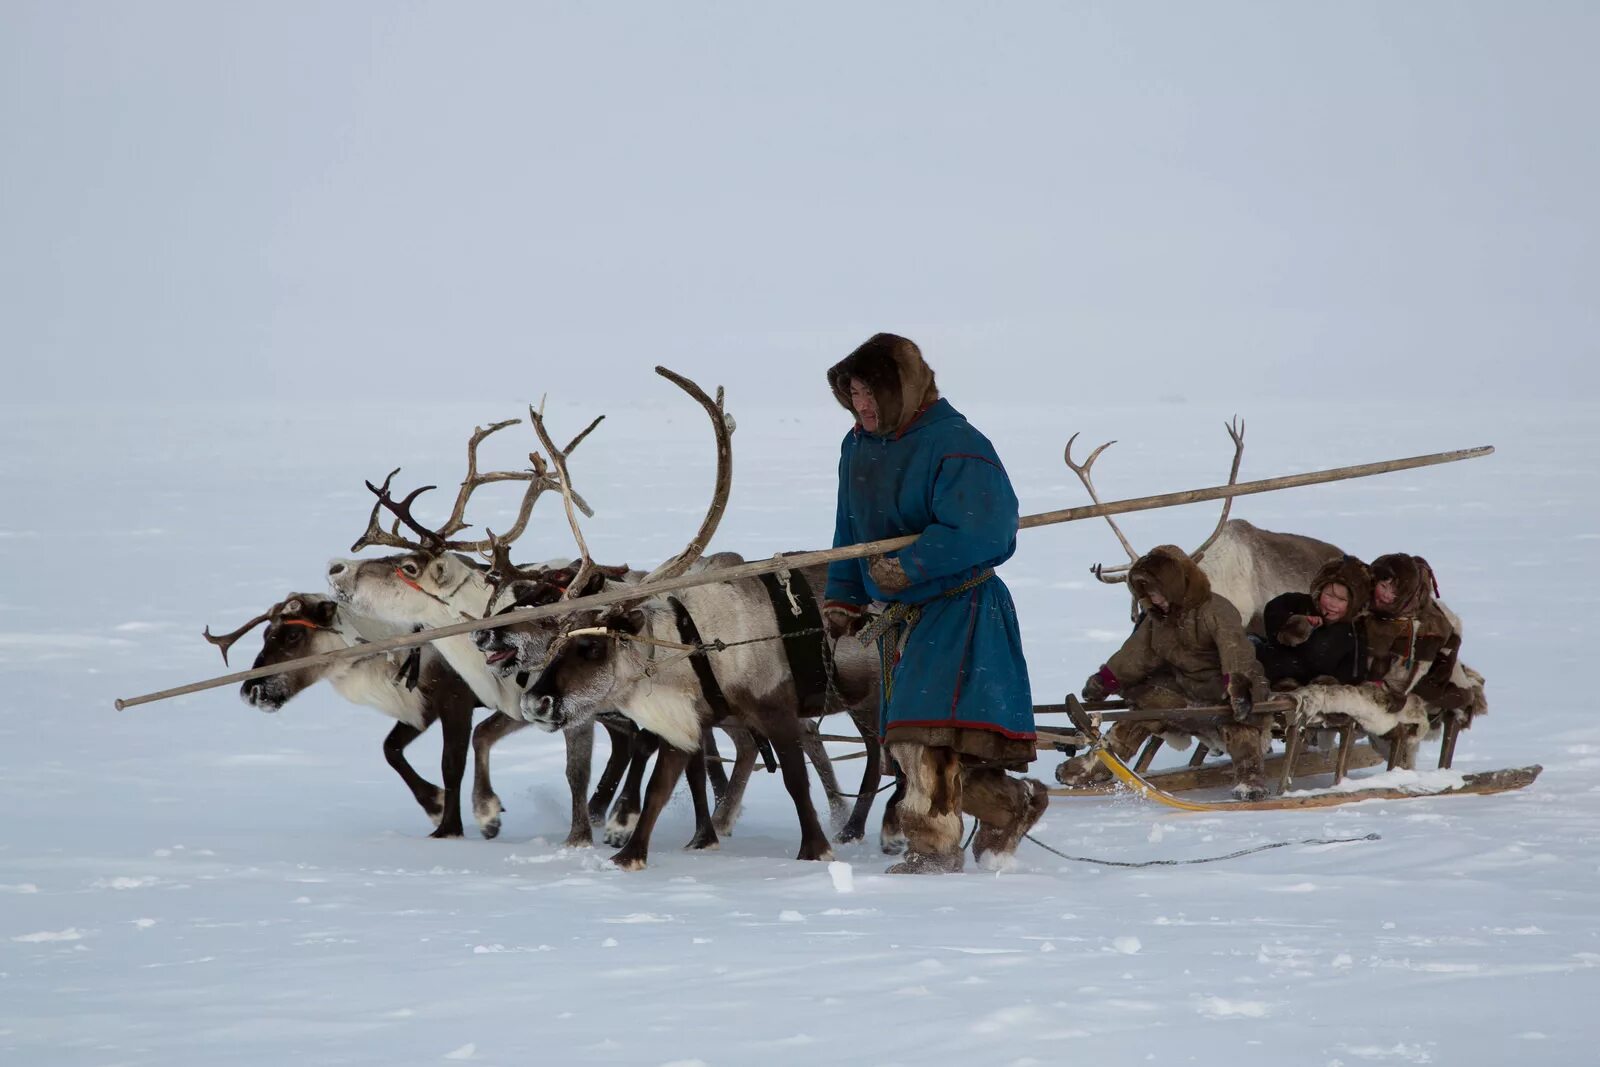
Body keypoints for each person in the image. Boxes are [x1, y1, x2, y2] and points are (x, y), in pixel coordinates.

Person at [822, 333, 1046, 874]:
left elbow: (989, 530)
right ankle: (1012, 805)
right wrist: (845, 594)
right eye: (853, 392)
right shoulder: (858, 446)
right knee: (920, 738)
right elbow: (852, 532)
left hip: (962, 607)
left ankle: (934, 851)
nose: (862, 405)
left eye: (871, 392)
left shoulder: (957, 444)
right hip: (906, 618)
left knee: (923, 737)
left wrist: (912, 565)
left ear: (904, 388)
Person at [1055, 545, 1272, 800]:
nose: (1154, 599)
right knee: (1142, 711)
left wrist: (1237, 686)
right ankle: (1099, 766)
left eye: (1157, 592)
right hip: (1184, 686)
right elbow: (1136, 654)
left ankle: (1250, 777)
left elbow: (1235, 650)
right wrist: (1106, 680)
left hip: (1224, 687)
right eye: (1148, 593)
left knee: (1239, 724)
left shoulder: (1215, 610)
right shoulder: (1158, 619)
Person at [1253, 555, 1373, 687]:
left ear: (1353, 604)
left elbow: (1354, 669)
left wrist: (1335, 682)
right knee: (1253, 644)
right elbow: (1273, 610)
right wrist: (1296, 623)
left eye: (1341, 600)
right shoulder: (1300, 603)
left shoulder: (1354, 631)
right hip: (1277, 670)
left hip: (1314, 686)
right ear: (1320, 591)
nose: (1332, 604)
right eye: (1329, 595)